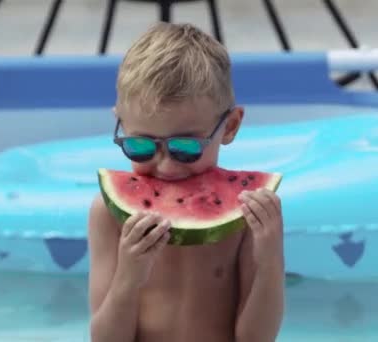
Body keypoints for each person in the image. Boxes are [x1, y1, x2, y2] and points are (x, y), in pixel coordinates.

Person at [88, 22, 285, 342]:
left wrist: (271, 261)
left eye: (185, 148)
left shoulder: (249, 215)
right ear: (120, 123)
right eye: (141, 146)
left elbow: (255, 338)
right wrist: (129, 277)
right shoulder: (107, 214)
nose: (165, 167)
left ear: (230, 127)